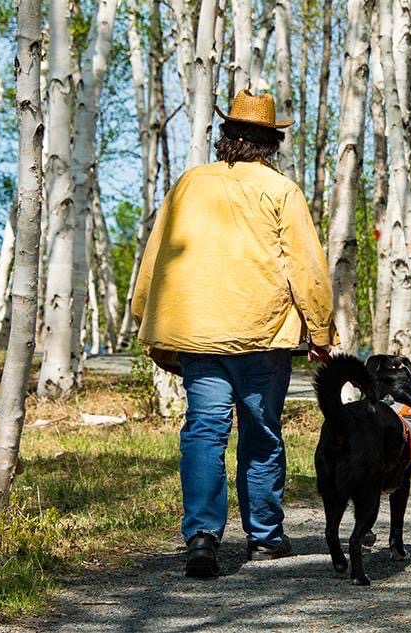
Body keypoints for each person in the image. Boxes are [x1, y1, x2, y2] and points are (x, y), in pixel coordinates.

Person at [132, 90, 334, 578]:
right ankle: (264, 537)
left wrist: (148, 316)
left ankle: (202, 536)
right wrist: (321, 330)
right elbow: (304, 266)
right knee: (261, 433)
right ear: (270, 144)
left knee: (203, 432)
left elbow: (158, 255)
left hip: (200, 333)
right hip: (262, 333)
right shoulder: (281, 191)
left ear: (226, 139)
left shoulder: (189, 184)